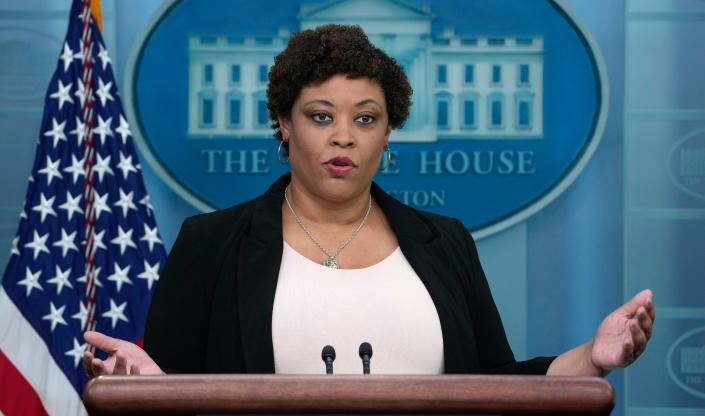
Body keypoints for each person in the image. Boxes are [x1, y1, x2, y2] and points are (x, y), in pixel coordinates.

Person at [84, 24, 654, 378]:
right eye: (320, 117)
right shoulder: (212, 243)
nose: (344, 136)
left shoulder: (444, 241)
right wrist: (146, 387)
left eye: (365, 118)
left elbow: (496, 382)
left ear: (387, 133)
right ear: (284, 125)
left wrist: (592, 358)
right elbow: (174, 393)